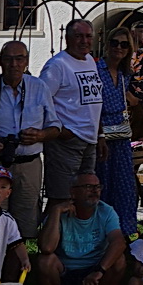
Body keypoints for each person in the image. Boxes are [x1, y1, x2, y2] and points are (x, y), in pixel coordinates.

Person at [0, 40, 59, 240]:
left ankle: (20, 269)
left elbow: (55, 127)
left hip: (28, 166)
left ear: (26, 61)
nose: (14, 64)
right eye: (8, 59)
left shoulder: (39, 87)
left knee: (25, 225)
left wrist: (40, 135)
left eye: (19, 59)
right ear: (0, 62)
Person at [37, 172, 127, 285]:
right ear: (73, 192)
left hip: (95, 271)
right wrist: (56, 211)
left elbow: (119, 242)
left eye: (97, 187)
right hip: (66, 272)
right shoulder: (59, 213)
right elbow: (46, 248)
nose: (94, 191)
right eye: (88, 187)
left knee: (119, 260)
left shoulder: (106, 211)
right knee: (45, 261)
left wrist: (100, 270)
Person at [41, 21, 103, 208]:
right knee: (62, 197)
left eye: (88, 36)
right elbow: (41, 101)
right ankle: (52, 235)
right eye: (78, 36)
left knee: (84, 197)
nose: (84, 41)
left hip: (89, 140)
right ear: (67, 38)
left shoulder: (90, 60)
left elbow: (94, 101)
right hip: (66, 141)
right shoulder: (57, 66)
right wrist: (60, 130)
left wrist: (100, 134)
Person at [96, 30, 141, 231]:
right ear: (107, 44)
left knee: (124, 185)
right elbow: (93, 106)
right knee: (103, 184)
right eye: (115, 43)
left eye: (124, 45)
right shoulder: (97, 69)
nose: (119, 48)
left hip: (121, 136)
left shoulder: (124, 74)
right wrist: (100, 135)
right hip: (102, 133)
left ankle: (122, 231)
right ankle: (101, 230)